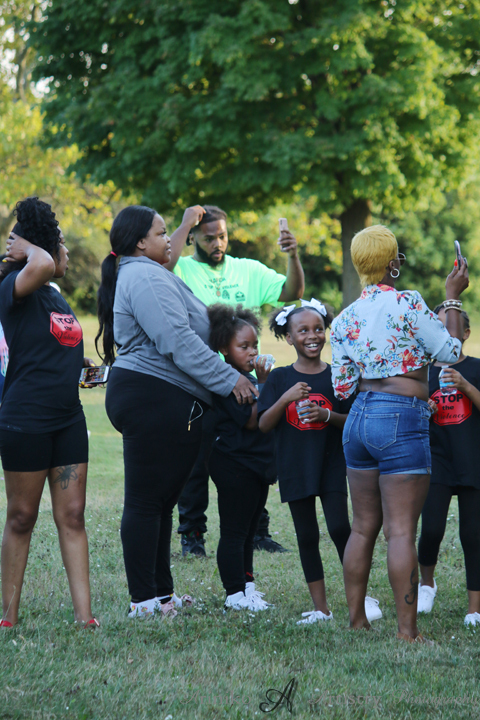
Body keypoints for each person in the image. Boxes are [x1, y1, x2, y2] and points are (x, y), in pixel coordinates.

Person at [96, 205, 257, 619]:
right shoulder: (144, 277)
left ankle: (161, 597)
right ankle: (142, 602)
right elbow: (176, 340)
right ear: (139, 243)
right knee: (145, 501)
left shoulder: (148, 272)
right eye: (162, 232)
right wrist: (228, 379)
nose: (170, 239)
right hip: (152, 396)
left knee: (160, 502)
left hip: (160, 396)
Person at [330, 225, 468, 643]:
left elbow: (342, 388)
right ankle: (407, 633)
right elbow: (451, 351)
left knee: (362, 527)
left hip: (358, 419)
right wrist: (452, 297)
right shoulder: (408, 303)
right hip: (401, 417)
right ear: (393, 264)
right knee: (402, 530)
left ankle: (357, 620)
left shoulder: (344, 319)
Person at [166, 204, 305, 556]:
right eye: (208, 238)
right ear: (193, 238)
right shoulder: (181, 269)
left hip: (243, 387)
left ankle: (257, 532)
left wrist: (293, 256)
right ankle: (192, 537)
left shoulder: (248, 270)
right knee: (196, 463)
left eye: (222, 236)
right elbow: (163, 263)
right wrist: (185, 224)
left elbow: (291, 291)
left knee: (250, 456)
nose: (217, 244)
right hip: (198, 385)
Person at [0, 197, 98, 629]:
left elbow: (52, 343)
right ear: (40, 249)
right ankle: (8, 616)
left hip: (68, 419)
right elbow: (39, 263)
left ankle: (84, 617)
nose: (67, 252)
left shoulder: (54, 296)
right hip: (26, 419)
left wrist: (78, 365)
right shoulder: (13, 286)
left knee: (72, 516)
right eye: (61, 244)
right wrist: (27, 247)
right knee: (22, 517)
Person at [258, 300, 381, 625]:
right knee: (307, 535)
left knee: (340, 528)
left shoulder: (338, 376)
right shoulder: (280, 378)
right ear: (289, 337)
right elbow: (263, 423)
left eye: (318, 329)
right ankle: (321, 608)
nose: (312, 336)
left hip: (331, 464)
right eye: (303, 331)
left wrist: (326, 415)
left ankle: (363, 598)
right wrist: (286, 398)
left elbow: (355, 419)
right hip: (295, 465)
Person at [207, 304, 276, 611]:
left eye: (254, 345)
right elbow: (251, 420)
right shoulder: (229, 380)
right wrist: (264, 382)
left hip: (255, 464)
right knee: (235, 532)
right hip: (234, 464)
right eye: (243, 346)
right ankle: (234, 595)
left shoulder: (247, 377)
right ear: (224, 348)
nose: (252, 352)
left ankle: (247, 588)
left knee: (250, 531)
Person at [417, 305, 480, 627]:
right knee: (431, 529)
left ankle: (474, 608)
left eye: (451, 326)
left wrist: (466, 386)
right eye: (437, 327)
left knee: (473, 534)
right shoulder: (423, 372)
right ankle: (427, 584)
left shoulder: (476, 367)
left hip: (472, 461)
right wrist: (423, 408)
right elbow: (411, 414)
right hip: (436, 461)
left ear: (465, 333)